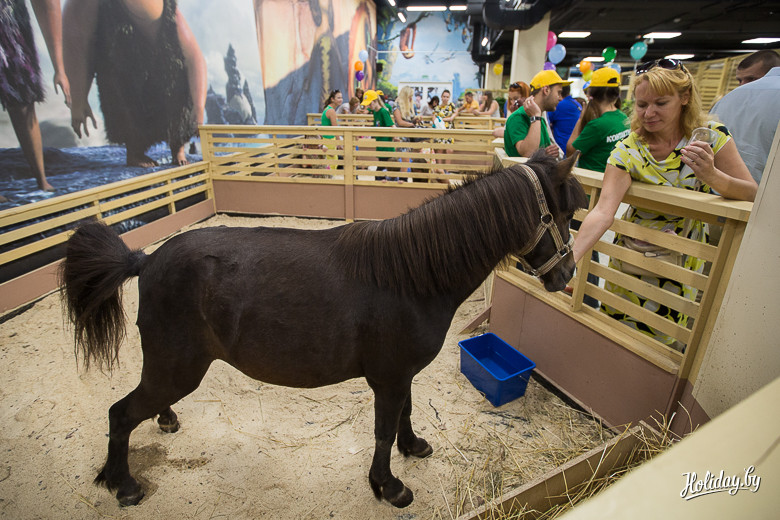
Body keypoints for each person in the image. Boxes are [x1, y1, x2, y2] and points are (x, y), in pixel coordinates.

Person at [571, 59, 757, 348]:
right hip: (632, 252)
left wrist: (712, 176)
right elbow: (603, 211)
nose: (649, 113)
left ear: (684, 97)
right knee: (617, 326)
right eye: (642, 105)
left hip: (682, 254)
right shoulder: (630, 148)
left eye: (661, 103)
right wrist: (569, 259)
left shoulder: (711, 137)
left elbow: (752, 192)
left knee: (665, 337)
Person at [63, 0, 207, 167]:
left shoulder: (169, 15)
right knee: (119, 89)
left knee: (177, 88)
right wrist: (79, 100)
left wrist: (198, 107)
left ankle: (178, 148)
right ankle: (135, 152)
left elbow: (194, 58)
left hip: (166, 67)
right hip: (124, 71)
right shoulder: (99, 13)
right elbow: (85, 55)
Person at [1, 0, 71, 191]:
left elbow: (48, 5)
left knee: (23, 100)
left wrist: (59, 68)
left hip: (11, 23)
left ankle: (41, 180)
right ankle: (41, 180)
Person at [711, 64, 780, 183]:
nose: (743, 84)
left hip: (718, 190)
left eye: (751, 78)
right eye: (740, 80)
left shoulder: (726, 98)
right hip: (765, 191)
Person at [566, 67, 629, 172]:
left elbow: (571, 152)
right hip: (611, 176)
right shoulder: (623, 118)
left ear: (591, 93)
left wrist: (581, 119)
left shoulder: (597, 125)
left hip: (592, 178)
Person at [503, 69, 570, 158]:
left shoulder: (540, 119)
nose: (560, 98)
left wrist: (549, 153)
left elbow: (541, 152)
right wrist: (535, 117)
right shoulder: (518, 117)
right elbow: (528, 153)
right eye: (559, 92)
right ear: (546, 90)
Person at [362, 89, 396, 181]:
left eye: (370, 104)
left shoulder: (383, 111)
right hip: (380, 146)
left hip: (386, 147)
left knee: (381, 173)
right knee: (382, 172)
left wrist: (395, 138)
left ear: (375, 101)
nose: (368, 106)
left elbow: (392, 126)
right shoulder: (376, 112)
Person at [548, 84, 582, 152]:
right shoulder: (577, 104)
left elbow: (546, 121)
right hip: (575, 145)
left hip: (562, 147)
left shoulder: (558, 105)